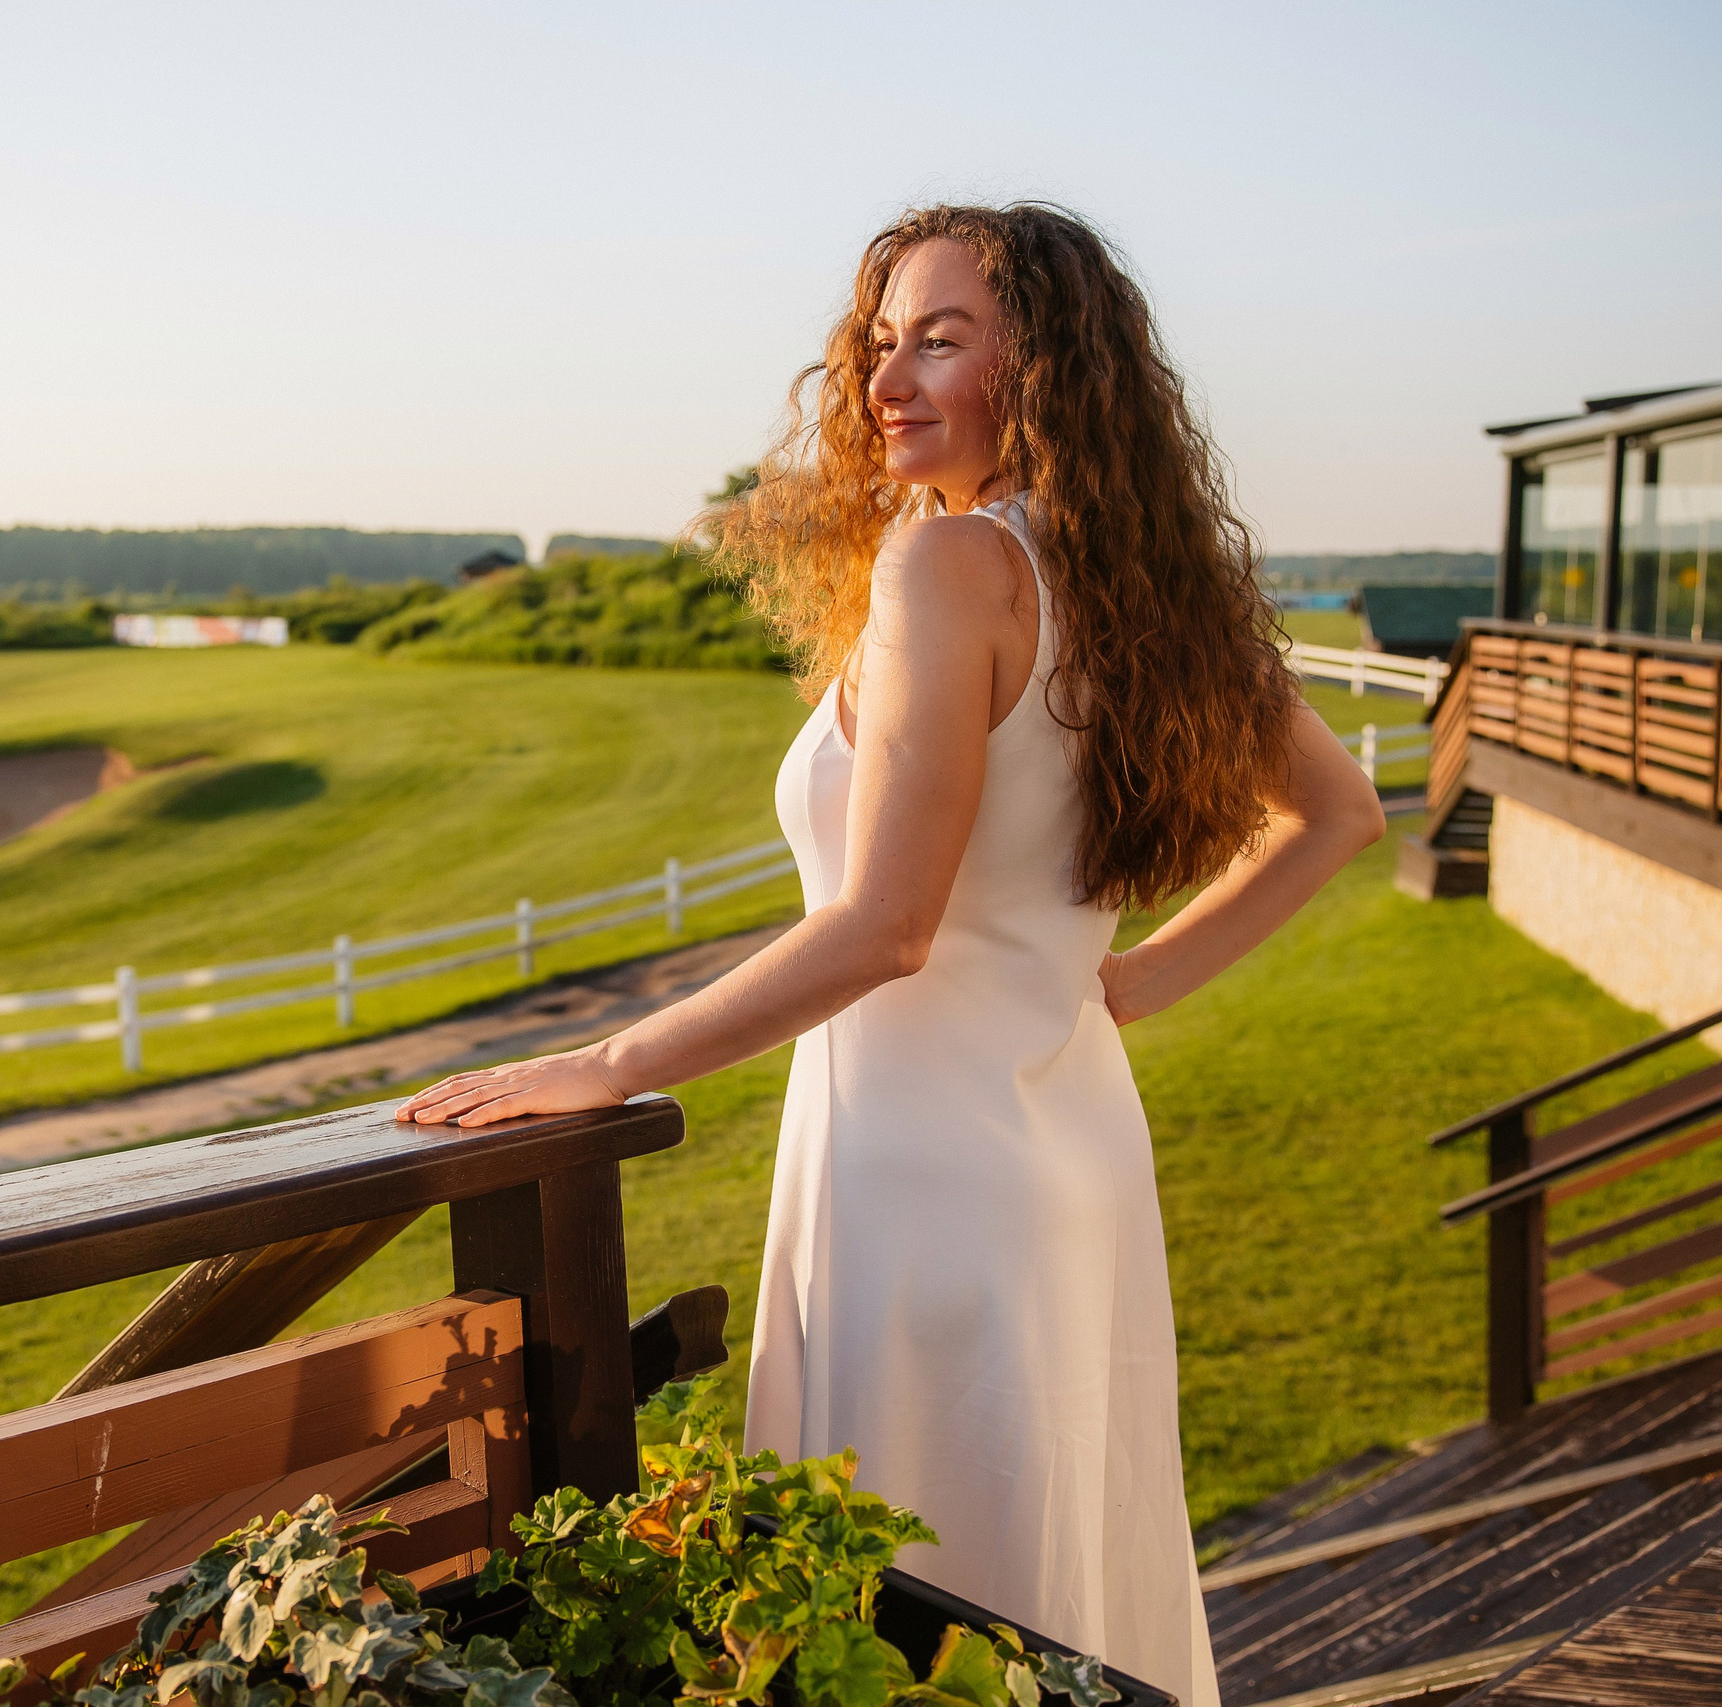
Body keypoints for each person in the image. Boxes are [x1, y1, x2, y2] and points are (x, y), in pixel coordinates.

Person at [398, 203, 1385, 1706]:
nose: (888, 380)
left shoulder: (952, 572)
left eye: (943, 337)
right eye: (879, 343)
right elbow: (1341, 814)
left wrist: (605, 1062)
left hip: (922, 1189)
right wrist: (1126, 984)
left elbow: (887, 926)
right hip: (1063, 1160)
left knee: (906, 1621)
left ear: (1045, 364)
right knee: (1050, 1603)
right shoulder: (1140, 580)